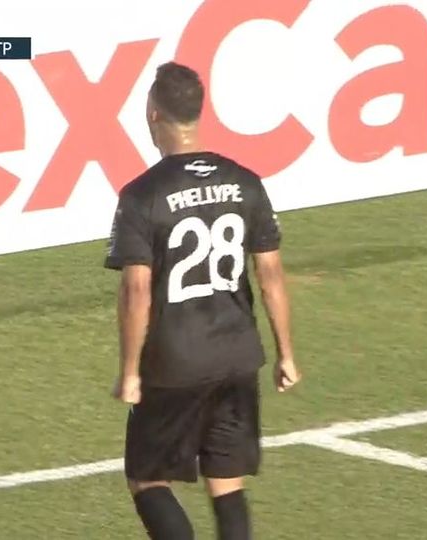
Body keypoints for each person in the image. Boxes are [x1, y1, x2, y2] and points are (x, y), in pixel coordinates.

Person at [105, 62, 301, 540]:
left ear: (153, 113)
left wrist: (130, 370)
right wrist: (286, 354)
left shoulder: (142, 195)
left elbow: (135, 290)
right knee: (226, 481)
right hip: (237, 356)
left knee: (147, 477)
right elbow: (271, 275)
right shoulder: (246, 181)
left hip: (176, 360)